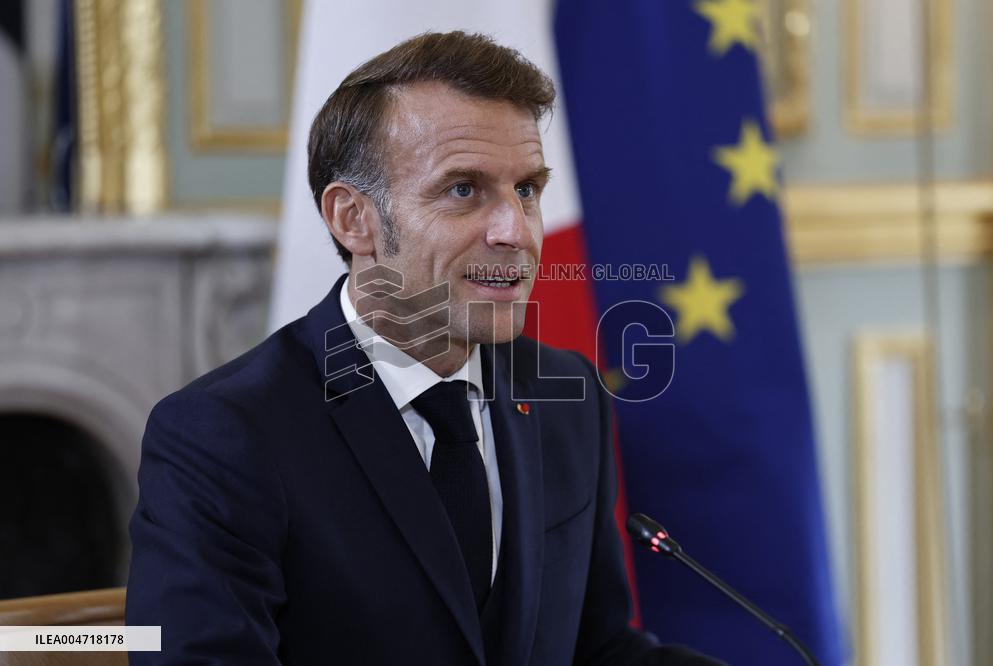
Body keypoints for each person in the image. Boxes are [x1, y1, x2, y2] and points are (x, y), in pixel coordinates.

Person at [125, 31, 721, 665]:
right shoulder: (223, 435)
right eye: (463, 189)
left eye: (526, 190)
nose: (515, 232)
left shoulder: (567, 398)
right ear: (353, 219)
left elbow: (597, 651)